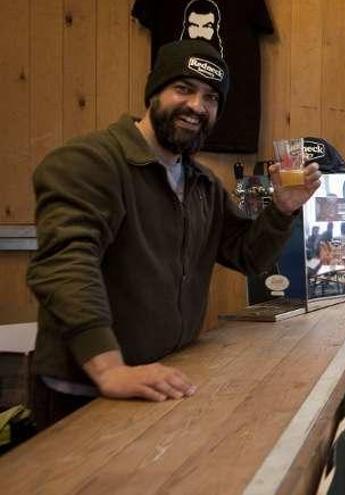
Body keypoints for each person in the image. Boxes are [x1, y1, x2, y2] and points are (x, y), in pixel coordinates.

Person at [25, 40, 322, 430]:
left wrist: (283, 208)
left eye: (210, 97)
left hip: (160, 382)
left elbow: (248, 256)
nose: (197, 106)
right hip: (83, 392)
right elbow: (66, 266)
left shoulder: (202, 184)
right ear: (154, 93)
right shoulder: (89, 162)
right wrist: (109, 367)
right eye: (183, 88)